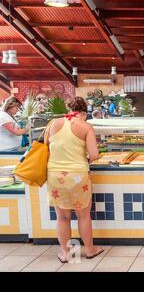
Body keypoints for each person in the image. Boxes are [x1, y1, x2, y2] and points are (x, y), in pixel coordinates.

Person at [46, 97, 103, 263]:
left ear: (69, 109)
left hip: (55, 174)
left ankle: (65, 253)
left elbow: (48, 148)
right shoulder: (85, 126)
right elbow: (94, 155)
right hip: (77, 175)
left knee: (62, 217)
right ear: (84, 113)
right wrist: (85, 157)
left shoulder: (53, 123)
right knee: (83, 216)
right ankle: (90, 250)